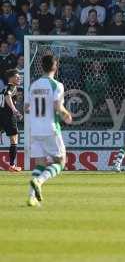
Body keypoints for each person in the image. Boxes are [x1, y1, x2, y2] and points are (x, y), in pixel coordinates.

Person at [26, 55, 72, 207]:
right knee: (61, 161)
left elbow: (26, 107)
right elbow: (58, 107)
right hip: (50, 128)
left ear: (41, 66)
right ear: (55, 66)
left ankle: (31, 198)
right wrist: (66, 114)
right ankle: (39, 181)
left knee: (39, 164)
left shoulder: (33, 85)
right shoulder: (57, 85)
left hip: (34, 129)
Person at [0, 69, 22, 172]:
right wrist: (14, 110)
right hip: (9, 116)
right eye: (17, 77)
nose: (19, 78)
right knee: (14, 140)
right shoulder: (12, 87)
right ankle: (12, 165)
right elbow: (7, 96)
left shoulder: (3, 88)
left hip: (1, 115)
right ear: (11, 78)